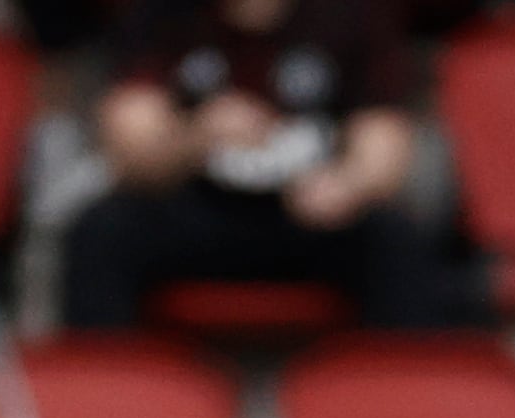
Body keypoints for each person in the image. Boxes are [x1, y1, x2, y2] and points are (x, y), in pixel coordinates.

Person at [57, 0, 469, 334]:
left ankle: (405, 410)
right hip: (194, 204)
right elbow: (130, 146)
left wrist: (348, 184)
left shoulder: (350, 13)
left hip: (309, 212)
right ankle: (104, 411)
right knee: (101, 231)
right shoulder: (162, 13)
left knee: (394, 238)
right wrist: (197, 136)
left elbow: (385, 142)